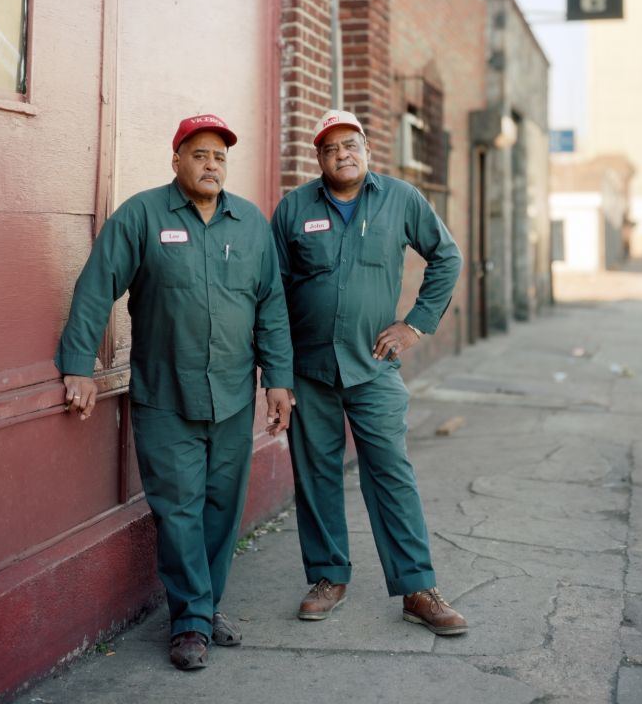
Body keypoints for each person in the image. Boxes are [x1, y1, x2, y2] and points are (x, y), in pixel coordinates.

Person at [56, 114, 295, 670]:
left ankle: (203, 608)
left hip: (234, 395)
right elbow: (97, 286)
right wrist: (78, 365)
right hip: (165, 395)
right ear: (177, 160)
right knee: (179, 508)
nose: (211, 165)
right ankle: (189, 622)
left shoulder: (251, 225)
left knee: (220, 507)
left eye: (220, 157)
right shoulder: (141, 216)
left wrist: (278, 380)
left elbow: (272, 308)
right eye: (200, 154)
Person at [270, 109, 467, 636]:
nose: (342, 154)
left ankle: (417, 587)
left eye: (350, 143)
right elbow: (271, 294)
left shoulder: (401, 199)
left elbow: (446, 257)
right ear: (319, 157)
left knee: (391, 474)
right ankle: (329, 576)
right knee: (316, 476)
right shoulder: (293, 209)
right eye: (331, 147)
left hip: (374, 366)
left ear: (367, 148)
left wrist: (415, 325)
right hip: (309, 369)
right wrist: (278, 374)